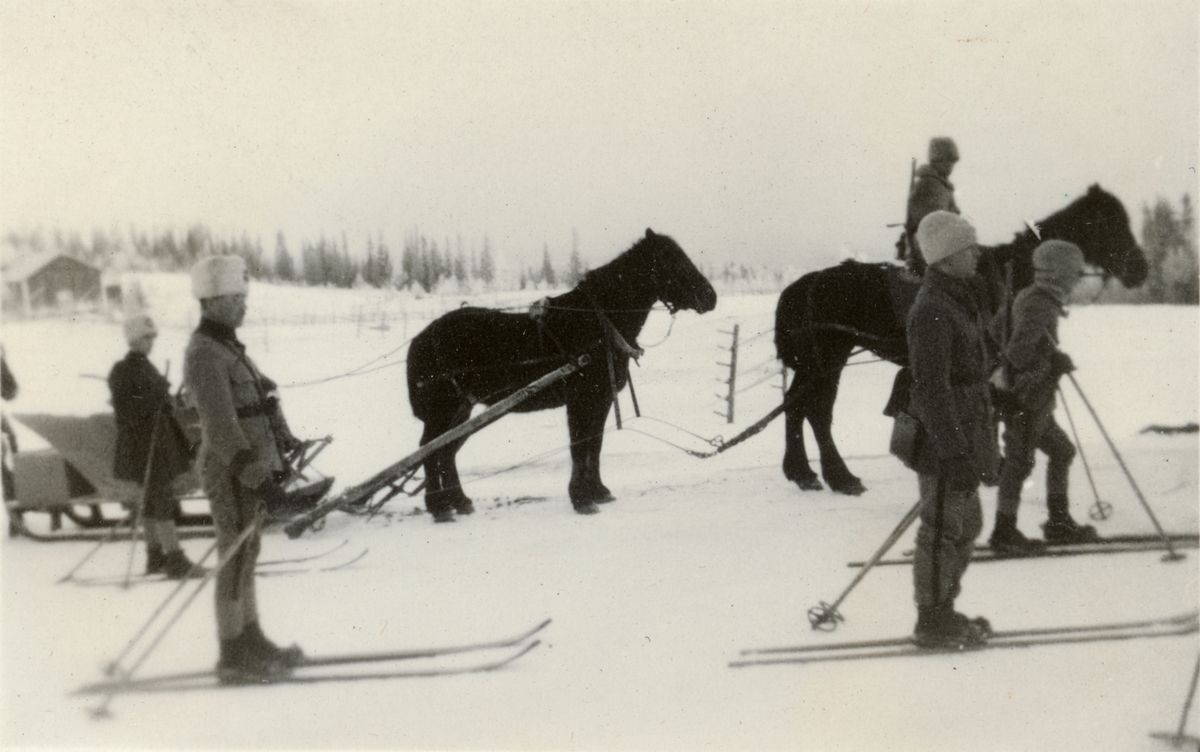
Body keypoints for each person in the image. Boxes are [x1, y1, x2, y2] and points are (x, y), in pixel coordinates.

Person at [183, 255, 304, 684]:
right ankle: (232, 652)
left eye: (244, 297)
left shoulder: (228, 348)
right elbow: (219, 428)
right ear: (211, 301)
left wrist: (279, 442)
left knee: (247, 554)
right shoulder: (203, 353)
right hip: (231, 471)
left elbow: (256, 404)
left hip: (249, 469)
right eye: (235, 298)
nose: (243, 306)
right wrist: (259, 479)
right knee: (233, 557)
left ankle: (252, 639)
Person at [905, 210, 1000, 648]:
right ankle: (931, 617)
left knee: (966, 525)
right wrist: (953, 452)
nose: (977, 253)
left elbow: (966, 371)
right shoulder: (932, 310)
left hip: (967, 430)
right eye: (968, 247)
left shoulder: (957, 298)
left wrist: (997, 397)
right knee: (942, 527)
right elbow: (931, 389)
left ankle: (943, 605)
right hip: (947, 439)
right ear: (944, 258)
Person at [990, 240, 1099, 554]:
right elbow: (1018, 353)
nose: (1078, 278)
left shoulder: (1028, 295)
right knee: (1019, 463)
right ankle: (1004, 531)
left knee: (1061, 451)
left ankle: (1058, 522)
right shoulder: (1043, 304)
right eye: (1075, 272)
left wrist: (1045, 356)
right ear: (1061, 273)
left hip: (1034, 398)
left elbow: (997, 328)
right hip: (1026, 399)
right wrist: (1052, 364)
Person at [109, 313, 204, 577]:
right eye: (144, 338)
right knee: (160, 498)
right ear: (133, 340)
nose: (149, 343)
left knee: (152, 500)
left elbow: (155, 402)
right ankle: (174, 559)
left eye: (151, 338)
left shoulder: (145, 366)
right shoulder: (122, 370)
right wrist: (154, 399)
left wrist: (165, 399)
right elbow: (124, 410)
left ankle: (154, 557)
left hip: (159, 442)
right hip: (142, 445)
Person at [900, 137, 961, 276]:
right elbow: (930, 227)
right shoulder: (930, 185)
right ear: (938, 160)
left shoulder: (941, 185)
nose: (951, 166)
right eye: (949, 161)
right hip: (931, 260)